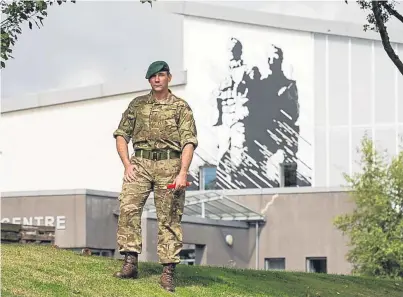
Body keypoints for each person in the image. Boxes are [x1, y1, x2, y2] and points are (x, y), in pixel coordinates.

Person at [112, 61, 198, 292]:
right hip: (140, 163)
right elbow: (121, 134)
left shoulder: (181, 107)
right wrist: (127, 164)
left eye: (161, 75)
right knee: (128, 208)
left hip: (170, 164)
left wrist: (182, 172)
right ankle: (130, 262)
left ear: (169, 77)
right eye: (152, 76)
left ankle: (168, 272)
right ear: (148, 80)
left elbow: (189, 142)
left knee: (169, 218)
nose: (157, 79)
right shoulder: (137, 105)